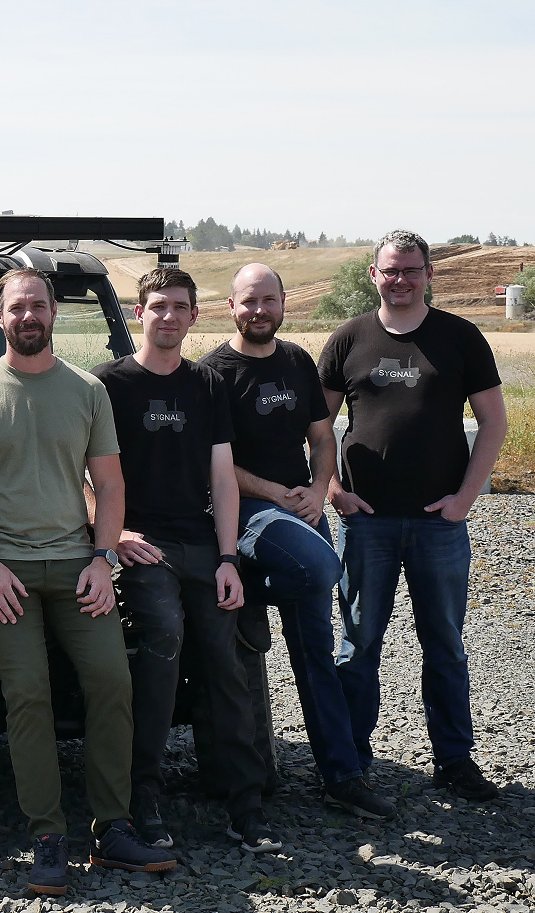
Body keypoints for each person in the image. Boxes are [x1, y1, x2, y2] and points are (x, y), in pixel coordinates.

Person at [0, 267, 176, 897]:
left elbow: (112, 485)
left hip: (76, 565)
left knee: (111, 680)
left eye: (38, 307)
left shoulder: (85, 392)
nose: (29, 317)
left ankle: (114, 827)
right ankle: (48, 834)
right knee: (29, 692)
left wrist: (103, 559)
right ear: (0, 316)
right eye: (17, 308)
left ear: (52, 314)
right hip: (0, 572)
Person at [91, 267, 283, 855]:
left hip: (201, 545)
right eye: (157, 306)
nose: (168, 315)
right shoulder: (107, 385)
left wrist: (229, 558)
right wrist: (114, 531)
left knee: (226, 656)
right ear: (138, 313)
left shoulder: (205, 386)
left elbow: (222, 478)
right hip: (142, 544)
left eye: (179, 306)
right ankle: (142, 795)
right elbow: (83, 475)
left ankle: (244, 803)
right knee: (164, 641)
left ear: (195, 316)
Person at [200, 263, 396, 819]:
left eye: (268, 300)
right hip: (250, 514)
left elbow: (320, 436)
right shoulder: (214, 373)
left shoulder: (297, 362)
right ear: (230, 306)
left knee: (315, 653)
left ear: (283, 303)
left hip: (303, 511)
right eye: (248, 301)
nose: (258, 310)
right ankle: (241, 771)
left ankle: (341, 776)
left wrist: (316, 488)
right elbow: (217, 465)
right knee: (321, 568)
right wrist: (277, 493)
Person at [318, 230, 507, 801]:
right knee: (358, 644)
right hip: (365, 520)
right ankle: (349, 765)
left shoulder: (460, 337)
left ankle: (454, 761)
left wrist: (464, 500)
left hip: (437, 523)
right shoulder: (349, 338)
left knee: (445, 644)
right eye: (390, 270)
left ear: (429, 274)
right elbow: (316, 426)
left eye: (411, 270)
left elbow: (494, 423)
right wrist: (331, 490)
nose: (400, 279)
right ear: (373, 274)